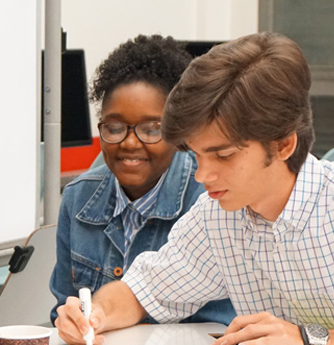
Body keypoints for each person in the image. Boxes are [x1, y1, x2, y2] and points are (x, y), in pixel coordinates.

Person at [54, 32, 334, 345]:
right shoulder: (218, 215)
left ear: (282, 144)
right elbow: (143, 291)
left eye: (223, 155)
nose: (202, 175)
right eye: (197, 155)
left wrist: (311, 341)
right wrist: (94, 313)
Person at [49, 34, 235, 326]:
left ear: (178, 131)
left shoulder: (212, 200)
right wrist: (72, 323)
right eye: (114, 127)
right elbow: (64, 304)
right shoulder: (78, 199)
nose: (130, 143)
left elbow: (217, 324)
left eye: (150, 129)